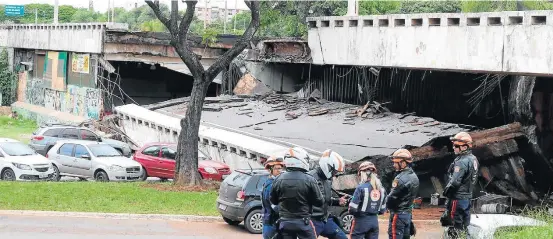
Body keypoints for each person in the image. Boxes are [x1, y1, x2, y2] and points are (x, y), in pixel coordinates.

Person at [270, 147, 324, 239]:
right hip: (303, 223)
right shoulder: (310, 179)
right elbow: (319, 202)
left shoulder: (278, 179)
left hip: (285, 223)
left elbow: (273, 201)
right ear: (300, 160)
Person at [442, 132, 479, 238]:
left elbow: (455, 182)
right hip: (467, 198)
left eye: (456, 146)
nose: (453, 148)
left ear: (464, 147)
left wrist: (446, 193)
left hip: (457, 199)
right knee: (464, 225)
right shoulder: (473, 159)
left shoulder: (461, 162)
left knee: (454, 226)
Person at [308, 149, 348, 239]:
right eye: (334, 171)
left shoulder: (327, 180)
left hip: (325, 219)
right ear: (327, 166)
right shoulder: (310, 178)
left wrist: (338, 201)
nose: (334, 175)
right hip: (312, 221)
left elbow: (325, 199)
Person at [386, 149, 419, 239]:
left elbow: (391, 198)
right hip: (407, 214)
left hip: (398, 215)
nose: (394, 165)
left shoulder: (399, 179)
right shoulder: (414, 176)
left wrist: (386, 205)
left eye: (396, 163)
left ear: (403, 163)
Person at [348, 161, 387, 239]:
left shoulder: (360, 188)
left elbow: (352, 209)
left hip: (360, 222)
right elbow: (382, 210)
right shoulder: (382, 189)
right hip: (374, 222)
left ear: (362, 173)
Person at [261, 156, 286, 239]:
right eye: (277, 168)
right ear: (270, 170)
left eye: (280, 168)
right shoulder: (272, 185)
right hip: (272, 223)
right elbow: (275, 207)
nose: (280, 171)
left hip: (269, 222)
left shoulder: (270, 182)